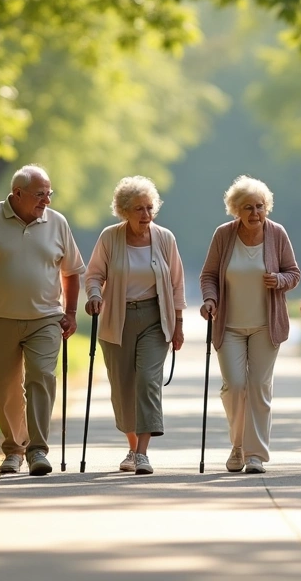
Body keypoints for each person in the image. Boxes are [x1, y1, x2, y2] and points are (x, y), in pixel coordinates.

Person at [0, 164, 85, 476]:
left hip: (45, 318)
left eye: (49, 194)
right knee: (5, 386)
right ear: (17, 194)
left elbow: (71, 271)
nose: (47, 201)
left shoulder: (57, 223)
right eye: (40, 194)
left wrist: (70, 313)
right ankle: (14, 450)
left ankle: (38, 450)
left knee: (42, 376)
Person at [84, 176, 186, 475]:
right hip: (118, 319)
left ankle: (142, 453)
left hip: (156, 319)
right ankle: (131, 447)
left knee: (147, 381)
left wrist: (178, 325)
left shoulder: (165, 238)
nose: (146, 215)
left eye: (150, 208)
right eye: (139, 209)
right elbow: (93, 275)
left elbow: (177, 284)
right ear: (124, 211)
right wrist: (93, 295)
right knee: (123, 388)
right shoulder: (109, 237)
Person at [200, 176, 301, 474]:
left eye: (260, 206)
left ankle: (254, 454)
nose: (255, 213)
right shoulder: (224, 235)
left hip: (265, 326)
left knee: (258, 386)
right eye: (248, 208)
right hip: (228, 324)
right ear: (235, 210)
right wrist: (210, 299)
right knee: (234, 386)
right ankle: (238, 446)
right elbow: (208, 276)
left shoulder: (277, 234)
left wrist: (280, 280)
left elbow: (293, 272)